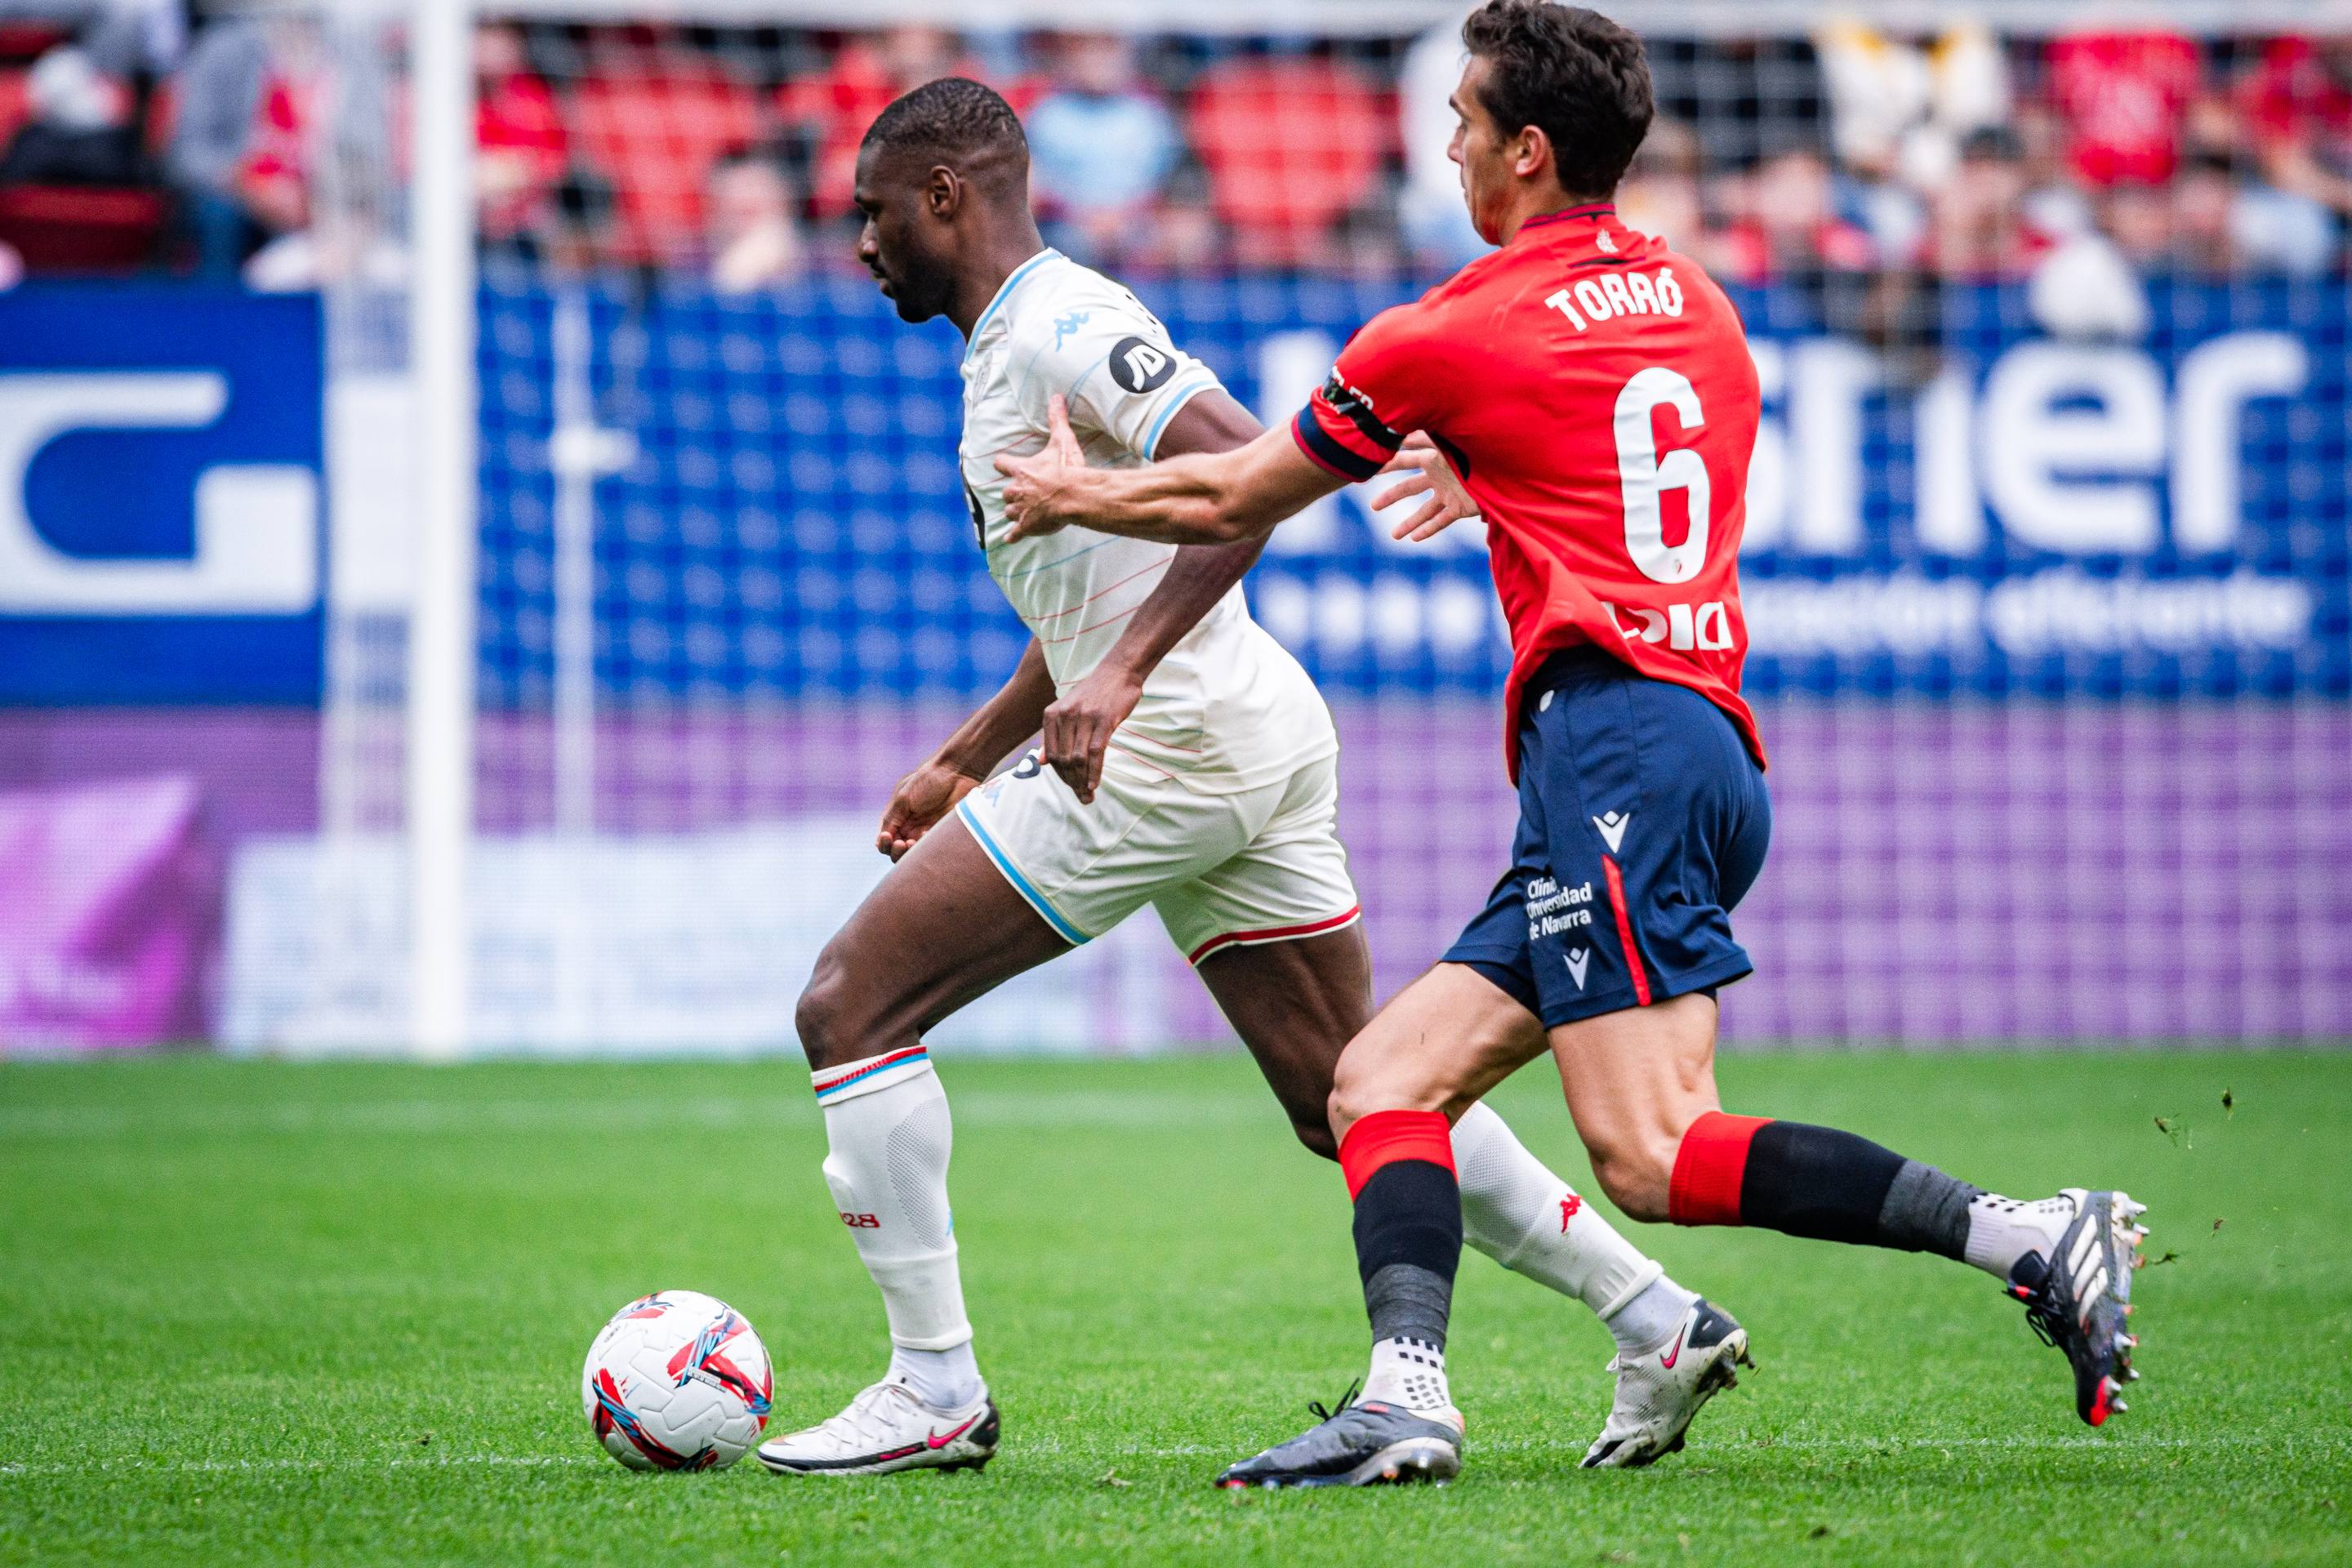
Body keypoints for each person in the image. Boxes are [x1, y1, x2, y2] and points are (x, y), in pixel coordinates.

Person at [996, 1, 2147, 1490]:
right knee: (1380, 1084)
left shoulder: (1454, 327)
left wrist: (1072, 496)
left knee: (1653, 1154)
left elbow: (1236, 497)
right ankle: (1409, 1395)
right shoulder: (1702, 306)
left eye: (1467, 123)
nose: (1450, 144)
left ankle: (2025, 1235)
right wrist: (1507, 493)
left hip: (1619, 752)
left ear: (1528, 154)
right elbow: (1650, 498)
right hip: (1690, 748)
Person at [756, 74, 1735, 1481]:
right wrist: (974, 753)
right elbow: (1097, 596)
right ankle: (1653, 1314)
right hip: (1245, 730)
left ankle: (933, 1390)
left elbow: (1246, 475)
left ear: (947, 196)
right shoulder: (1004, 347)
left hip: (1177, 745)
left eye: (872, 215)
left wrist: (1124, 677)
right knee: (1353, 1092)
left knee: (850, 1008)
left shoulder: (1066, 323)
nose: (859, 243)